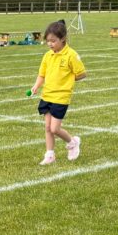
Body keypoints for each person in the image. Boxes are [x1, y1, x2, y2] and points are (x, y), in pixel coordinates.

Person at [28, 19, 87, 166]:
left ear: (63, 39)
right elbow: (42, 74)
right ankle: (50, 154)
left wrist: (68, 79)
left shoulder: (71, 55)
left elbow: (82, 74)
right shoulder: (48, 55)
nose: (50, 44)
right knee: (47, 128)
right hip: (47, 95)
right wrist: (35, 87)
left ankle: (72, 142)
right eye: (48, 41)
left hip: (61, 97)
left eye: (53, 41)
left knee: (55, 128)